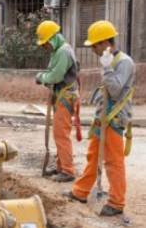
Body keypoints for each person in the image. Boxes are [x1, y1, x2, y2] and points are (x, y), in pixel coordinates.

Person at [64, 20, 135, 216]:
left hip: (114, 118)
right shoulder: (110, 60)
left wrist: (106, 68)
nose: (93, 49)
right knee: (93, 157)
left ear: (105, 43)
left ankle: (117, 202)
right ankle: (80, 191)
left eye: (95, 45)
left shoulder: (124, 62)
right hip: (102, 118)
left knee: (113, 161)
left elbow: (114, 89)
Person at [35, 20, 79, 183]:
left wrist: (41, 78)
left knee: (61, 134)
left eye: (45, 44)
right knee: (59, 133)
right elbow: (53, 72)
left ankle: (67, 170)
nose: (44, 47)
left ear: (52, 38)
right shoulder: (58, 51)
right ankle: (61, 167)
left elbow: (55, 76)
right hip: (61, 96)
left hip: (65, 97)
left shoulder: (63, 52)